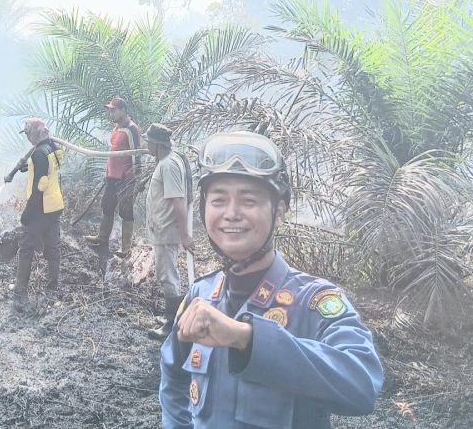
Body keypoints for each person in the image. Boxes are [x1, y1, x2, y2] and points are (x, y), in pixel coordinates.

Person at [159, 131, 383, 428]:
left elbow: (362, 385)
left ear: (278, 211)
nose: (231, 214)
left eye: (248, 200)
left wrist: (247, 338)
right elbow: (173, 380)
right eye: (218, 200)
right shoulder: (200, 295)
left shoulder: (314, 302)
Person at [5, 117, 64, 314]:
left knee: (26, 247)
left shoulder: (39, 153)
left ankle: (20, 292)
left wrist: (28, 212)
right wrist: (29, 166)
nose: (27, 137)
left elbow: (40, 186)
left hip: (41, 207)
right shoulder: (53, 148)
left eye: (29, 133)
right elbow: (47, 168)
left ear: (36, 133)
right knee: (53, 247)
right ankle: (52, 290)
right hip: (55, 205)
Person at [143, 123, 194, 341]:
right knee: (166, 273)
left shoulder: (169, 165)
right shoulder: (165, 162)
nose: (146, 145)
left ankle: (172, 325)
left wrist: (185, 235)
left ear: (156, 144)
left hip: (167, 230)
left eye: (148, 142)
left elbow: (178, 200)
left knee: (168, 275)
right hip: (162, 229)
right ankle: (170, 316)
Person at [85, 96, 141, 258]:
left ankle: (125, 248)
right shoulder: (116, 128)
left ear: (123, 110)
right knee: (107, 206)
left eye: (114, 110)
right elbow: (112, 154)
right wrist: (107, 173)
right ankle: (102, 238)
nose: (112, 113)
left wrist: (134, 174)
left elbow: (136, 153)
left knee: (126, 210)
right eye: (110, 110)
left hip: (125, 178)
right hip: (112, 176)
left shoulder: (131, 129)